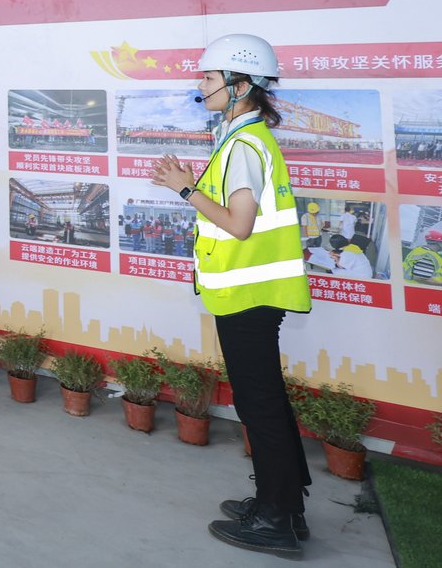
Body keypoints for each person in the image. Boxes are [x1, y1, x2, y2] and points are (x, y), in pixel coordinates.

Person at [153, 33, 312, 558]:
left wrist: (184, 188)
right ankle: (282, 505)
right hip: (253, 294)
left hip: (248, 296)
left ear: (240, 85)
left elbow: (239, 224)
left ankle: (275, 520)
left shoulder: (243, 145)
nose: (201, 85)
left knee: (258, 404)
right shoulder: (247, 136)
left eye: (209, 77)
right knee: (265, 400)